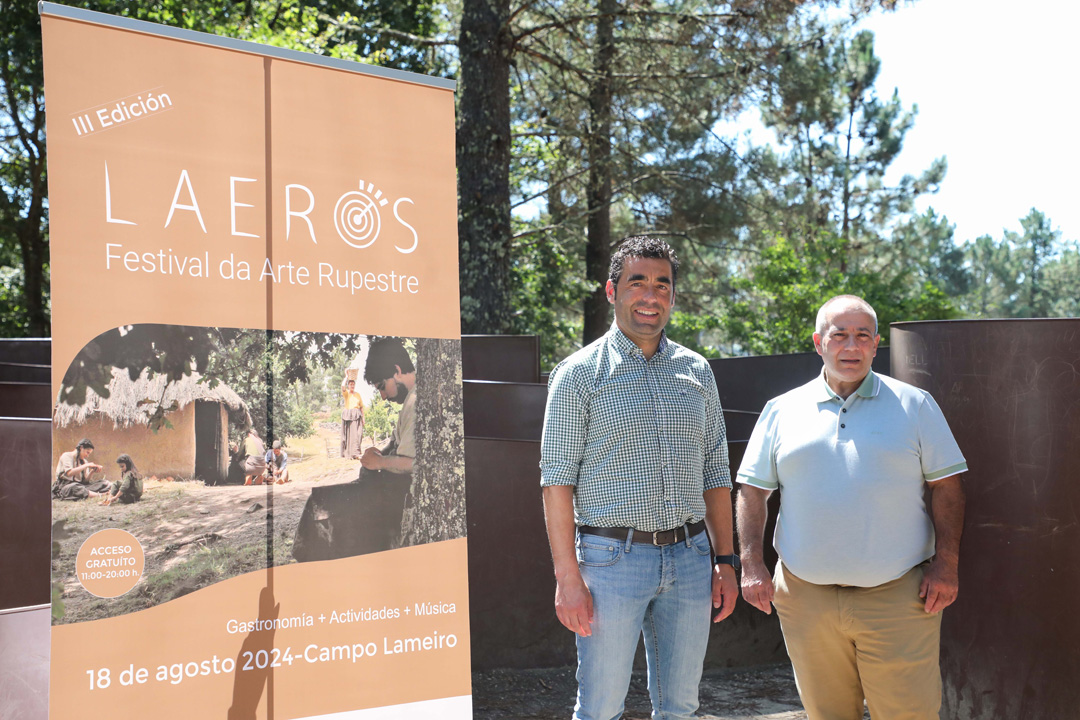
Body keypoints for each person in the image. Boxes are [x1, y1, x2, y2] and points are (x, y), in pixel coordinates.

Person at [736, 294, 967, 720]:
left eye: (862, 336)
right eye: (839, 335)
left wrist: (946, 565)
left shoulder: (915, 405)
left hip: (899, 597)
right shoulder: (781, 410)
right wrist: (751, 565)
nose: (851, 346)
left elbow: (948, 487)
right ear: (818, 342)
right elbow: (752, 490)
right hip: (807, 601)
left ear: (876, 344)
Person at [540, 235, 738, 720]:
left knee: (682, 707)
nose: (651, 296)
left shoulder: (697, 372)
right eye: (637, 283)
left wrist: (726, 559)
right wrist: (568, 578)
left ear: (673, 295)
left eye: (662, 284)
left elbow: (715, 472)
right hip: (611, 563)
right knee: (601, 708)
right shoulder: (578, 375)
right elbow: (556, 482)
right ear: (612, 291)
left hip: (691, 559)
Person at [341, 377, 365, 460]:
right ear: (348, 385)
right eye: (350, 384)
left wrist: (363, 418)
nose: (352, 386)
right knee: (353, 435)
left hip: (357, 415)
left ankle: (356, 452)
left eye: (353, 384)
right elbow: (342, 386)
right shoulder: (347, 393)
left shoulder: (358, 394)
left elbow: (361, 407)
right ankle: (355, 454)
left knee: (359, 434)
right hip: (350, 416)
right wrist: (346, 376)